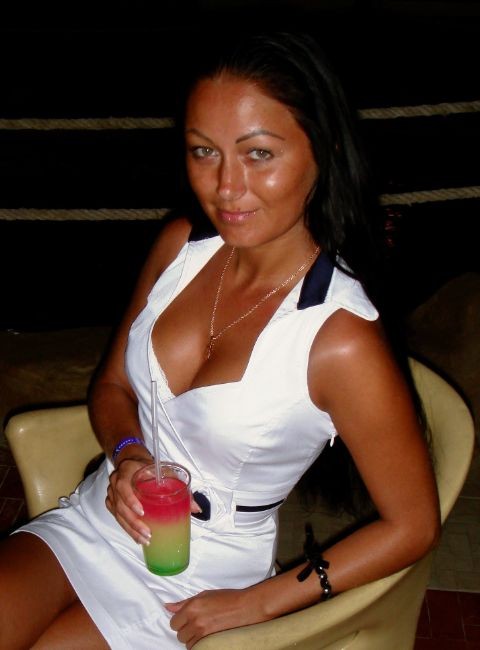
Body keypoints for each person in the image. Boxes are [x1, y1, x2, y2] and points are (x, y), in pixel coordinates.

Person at [0, 31, 440, 649]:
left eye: (258, 154)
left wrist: (263, 601)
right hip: (96, 519)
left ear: (325, 151)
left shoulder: (338, 337)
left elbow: (413, 525)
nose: (226, 187)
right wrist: (128, 455)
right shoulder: (180, 246)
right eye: (204, 151)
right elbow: (113, 385)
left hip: (201, 578)